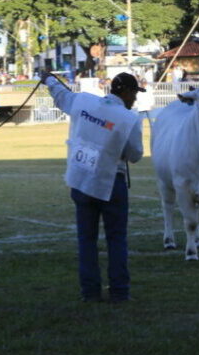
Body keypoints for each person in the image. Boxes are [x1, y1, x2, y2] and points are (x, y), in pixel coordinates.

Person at [40, 69, 144, 303]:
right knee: (116, 239)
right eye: (134, 93)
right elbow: (135, 155)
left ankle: (90, 292)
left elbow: (61, 95)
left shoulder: (84, 101)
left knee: (86, 240)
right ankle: (119, 291)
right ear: (126, 92)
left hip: (81, 179)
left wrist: (48, 79)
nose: (135, 98)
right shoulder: (129, 118)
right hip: (110, 182)